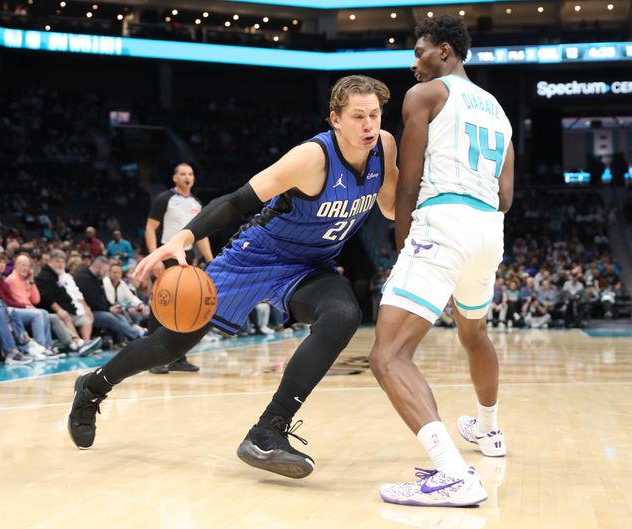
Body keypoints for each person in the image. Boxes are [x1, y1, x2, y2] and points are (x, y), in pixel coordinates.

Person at [67, 75, 398, 480]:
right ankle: (94, 385)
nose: (368, 125)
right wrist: (183, 239)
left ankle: (267, 431)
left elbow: (391, 206)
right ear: (335, 119)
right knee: (172, 343)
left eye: (375, 115)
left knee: (343, 314)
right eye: (358, 116)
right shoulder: (310, 159)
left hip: (312, 267)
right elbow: (237, 200)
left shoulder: (384, 147)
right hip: (256, 256)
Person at [367, 14, 514, 507]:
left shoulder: (426, 95)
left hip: (442, 222)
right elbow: (506, 196)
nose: (415, 63)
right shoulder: (499, 112)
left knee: (387, 354)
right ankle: (490, 431)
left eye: (421, 52)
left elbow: (409, 177)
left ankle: (453, 474)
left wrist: (404, 236)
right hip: (488, 231)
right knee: (474, 333)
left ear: (446, 51)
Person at [146, 163, 214, 373]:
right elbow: (150, 228)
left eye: (191, 174)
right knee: (161, 306)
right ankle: (152, 359)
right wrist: (154, 257)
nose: (187, 177)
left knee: (186, 307)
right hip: (166, 256)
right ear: (175, 178)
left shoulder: (196, 203)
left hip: (188, 258)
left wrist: (211, 260)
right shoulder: (165, 199)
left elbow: (200, 235)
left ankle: (178, 357)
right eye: (183, 174)